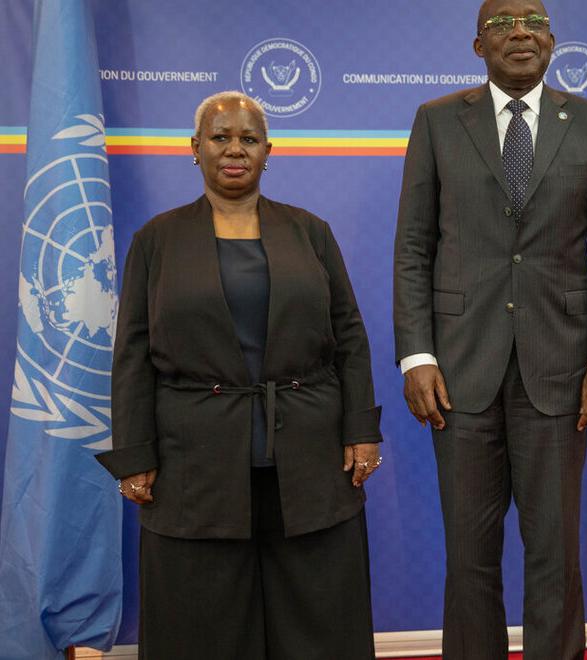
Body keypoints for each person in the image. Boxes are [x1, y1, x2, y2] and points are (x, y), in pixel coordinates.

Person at [97, 91, 383, 659]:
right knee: (203, 623)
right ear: (195, 148)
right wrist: (133, 454)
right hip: (193, 461)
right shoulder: (156, 240)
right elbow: (132, 353)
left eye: (249, 139)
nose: (235, 149)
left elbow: (349, 336)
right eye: (221, 137)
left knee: (319, 615)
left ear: (267, 151)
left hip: (309, 456)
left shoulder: (311, 232)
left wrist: (361, 430)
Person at [392, 0, 587, 657]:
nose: (521, 32)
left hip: (561, 372)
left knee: (555, 551)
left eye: (534, 21)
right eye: (502, 23)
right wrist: (416, 355)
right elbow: (413, 247)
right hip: (457, 373)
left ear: (551, 39)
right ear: (478, 45)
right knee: (468, 553)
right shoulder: (438, 121)